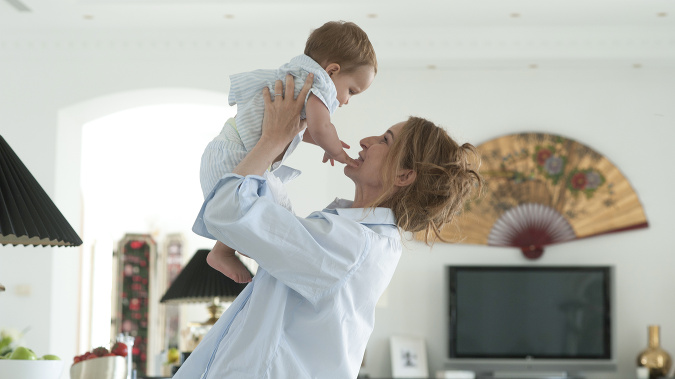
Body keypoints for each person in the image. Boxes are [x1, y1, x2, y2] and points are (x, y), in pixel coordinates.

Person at [179, 75, 483, 378]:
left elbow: (226, 210)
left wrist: (273, 139)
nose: (366, 141)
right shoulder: (348, 235)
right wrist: (286, 137)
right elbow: (259, 213)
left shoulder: (351, 246)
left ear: (403, 176)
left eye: (385, 141)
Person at [200, 20, 377, 283]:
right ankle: (222, 252)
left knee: (255, 208)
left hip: (226, 150)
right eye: (351, 90)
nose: (347, 100)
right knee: (258, 210)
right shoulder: (317, 84)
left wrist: (321, 142)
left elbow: (299, 129)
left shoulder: (296, 76)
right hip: (235, 153)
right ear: (332, 71)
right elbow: (321, 126)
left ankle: (222, 250)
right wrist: (336, 149)